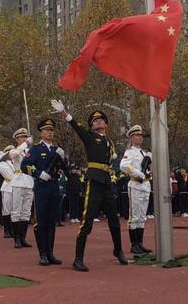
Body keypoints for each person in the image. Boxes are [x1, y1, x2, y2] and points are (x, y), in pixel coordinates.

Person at [51, 99, 128, 272]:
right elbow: (76, 127)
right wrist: (65, 112)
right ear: (92, 126)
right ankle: (78, 259)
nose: (99, 122)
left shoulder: (109, 142)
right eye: (95, 121)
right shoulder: (90, 137)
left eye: (101, 120)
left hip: (107, 181)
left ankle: (118, 250)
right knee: (87, 221)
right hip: (94, 181)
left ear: (106, 124)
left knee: (114, 220)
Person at [22, 118, 65, 266]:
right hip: (41, 188)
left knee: (51, 221)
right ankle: (42, 253)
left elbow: (64, 168)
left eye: (51, 130)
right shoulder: (35, 149)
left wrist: (63, 158)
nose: (49, 133)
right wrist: (39, 174)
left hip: (53, 186)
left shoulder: (56, 150)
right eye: (46, 130)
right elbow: (24, 165)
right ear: (41, 132)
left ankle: (50, 252)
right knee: (41, 221)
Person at [120, 125, 152, 255]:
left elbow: (150, 169)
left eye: (141, 136)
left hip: (145, 185)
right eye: (138, 136)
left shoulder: (144, 153)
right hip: (135, 185)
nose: (140, 138)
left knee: (142, 216)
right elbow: (124, 166)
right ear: (132, 137)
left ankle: (140, 243)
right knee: (135, 216)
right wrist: (139, 174)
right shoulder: (130, 152)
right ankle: (134, 244)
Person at [9, 128, 34, 249]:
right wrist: (26, 144)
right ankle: (16, 239)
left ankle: (23, 238)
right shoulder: (15, 150)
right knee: (16, 211)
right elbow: (14, 154)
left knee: (26, 212)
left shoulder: (30, 151)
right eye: (22, 137)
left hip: (29, 182)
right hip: (18, 182)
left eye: (25, 137)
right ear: (17, 139)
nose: (24, 139)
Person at [0, 145, 15, 238]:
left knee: (14, 209)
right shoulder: (2, 164)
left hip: (16, 186)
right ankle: (7, 230)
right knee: (6, 209)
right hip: (8, 186)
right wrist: (2, 155)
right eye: (10, 152)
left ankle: (13, 229)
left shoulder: (17, 162)